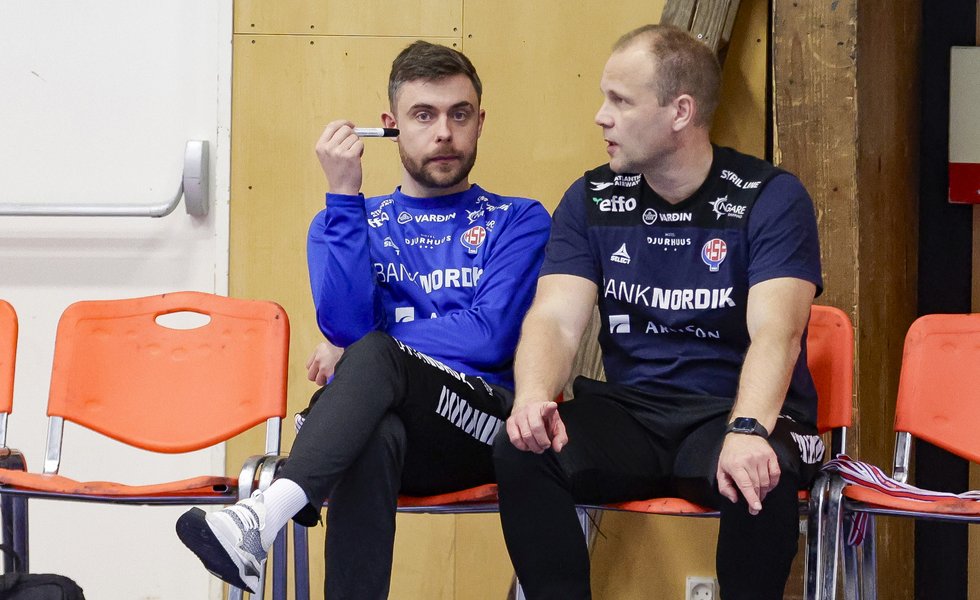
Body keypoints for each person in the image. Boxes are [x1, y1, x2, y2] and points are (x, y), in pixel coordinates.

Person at [176, 40, 551, 598]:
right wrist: (344, 194)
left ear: (480, 122)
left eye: (459, 114)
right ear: (390, 127)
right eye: (423, 115)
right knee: (373, 430)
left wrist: (368, 350)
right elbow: (346, 328)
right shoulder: (345, 220)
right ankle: (266, 522)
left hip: (482, 428)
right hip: (383, 431)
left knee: (374, 354)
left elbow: (488, 337)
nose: (444, 132)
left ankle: (265, 513)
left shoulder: (518, 218)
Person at [493, 24, 825, 600]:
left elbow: (778, 332)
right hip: (633, 414)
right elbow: (555, 320)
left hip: (730, 412)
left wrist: (747, 429)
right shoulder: (592, 198)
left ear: (680, 112)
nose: (601, 117)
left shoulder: (769, 197)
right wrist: (533, 398)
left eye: (621, 101)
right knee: (524, 449)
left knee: (760, 468)